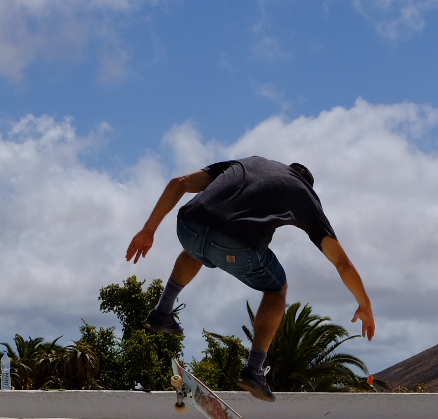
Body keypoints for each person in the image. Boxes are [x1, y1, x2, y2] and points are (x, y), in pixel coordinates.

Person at [125, 157, 375, 402]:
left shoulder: (248, 163)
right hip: (235, 245)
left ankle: (162, 311)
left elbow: (178, 182)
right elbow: (342, 263)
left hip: (188, 226)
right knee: (277, 287)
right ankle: (254, 369)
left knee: (198, 247)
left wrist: (148, 230)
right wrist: (364, 303)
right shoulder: (303, 193)